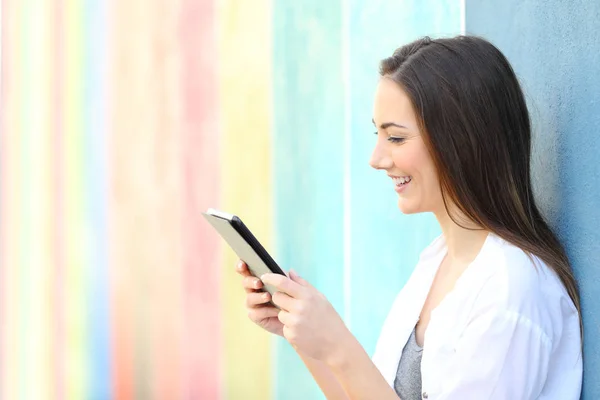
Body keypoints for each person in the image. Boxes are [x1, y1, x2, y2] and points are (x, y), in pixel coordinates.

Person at [236, 35, 583, 399]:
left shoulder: (512, 291)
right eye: (378, 134)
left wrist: (339, 346)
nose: (377, 158)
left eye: (396, 138)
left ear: (460, 141)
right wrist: (305, 337)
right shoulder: (438, 261)